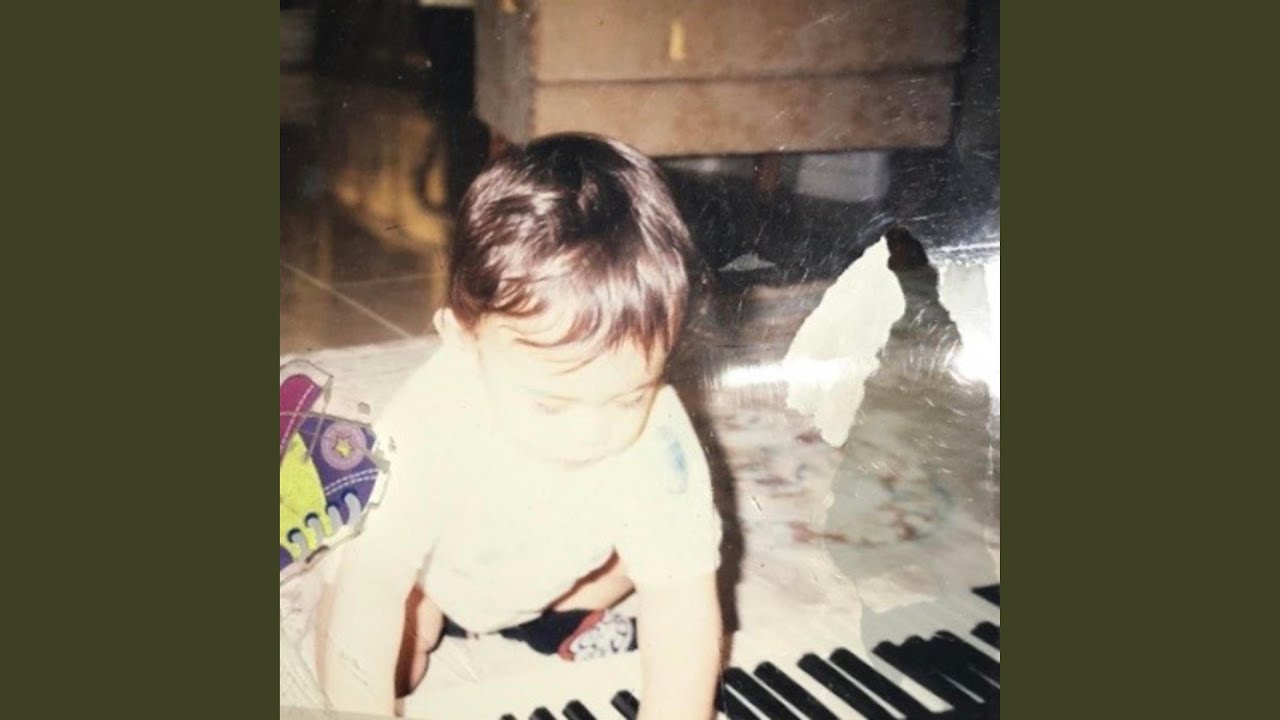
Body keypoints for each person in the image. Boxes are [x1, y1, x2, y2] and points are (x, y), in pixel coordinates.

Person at [317, 133, 723, 719]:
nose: (591, 435)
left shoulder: (659, 431)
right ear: (462, 340)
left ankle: (554, 615)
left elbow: (683, 600)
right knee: (388, 651)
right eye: (552, 405)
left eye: (627, 398)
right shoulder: (428, 422)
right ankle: (446, 616)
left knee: (663, 559)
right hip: (436, 575)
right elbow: (372, 586)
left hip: (559, 571)